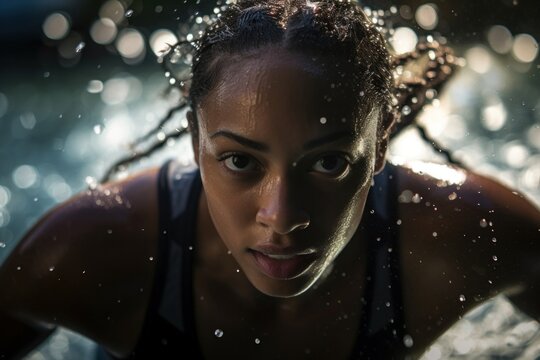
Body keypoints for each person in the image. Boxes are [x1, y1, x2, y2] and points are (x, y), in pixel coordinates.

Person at [1, 1, 539, 359]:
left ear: (379, 148)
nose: (282, 217)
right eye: (240, 162)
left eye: (329, 163)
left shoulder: (469, 235)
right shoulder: (85, 253)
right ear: (196, 143)